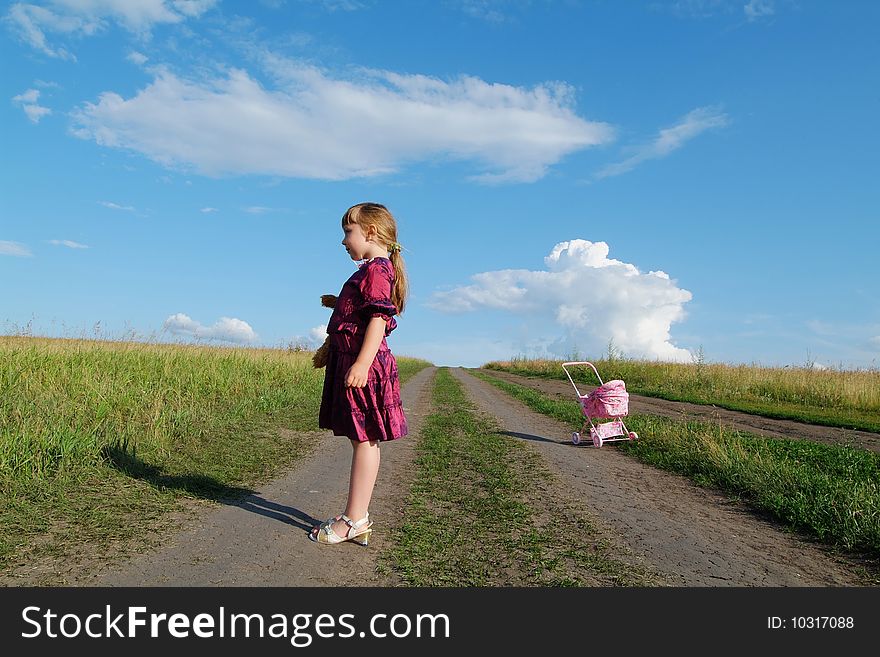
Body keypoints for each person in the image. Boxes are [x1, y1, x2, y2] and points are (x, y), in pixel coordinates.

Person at [310, 202, 409, 545]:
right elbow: (361, 311)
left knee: (365, 439)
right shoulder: (371, 270)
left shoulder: (377, 269)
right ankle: (356, 515)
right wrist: (338, 301)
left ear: (369, 232)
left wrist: (363, 364)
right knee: (361, 438)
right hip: (353, 359)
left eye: (347, 232)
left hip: (363, 363)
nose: (343, 241)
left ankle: (355, 519)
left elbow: (379, 320)